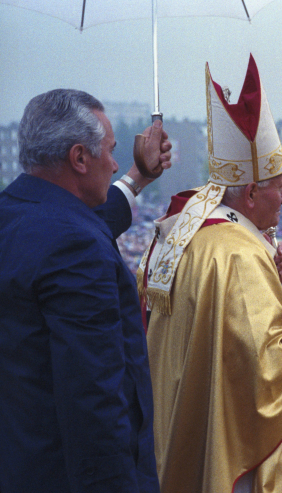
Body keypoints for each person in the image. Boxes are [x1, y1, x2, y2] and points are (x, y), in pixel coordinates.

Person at [141, 55, 282, 493]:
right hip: (243, 461)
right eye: (280, 186)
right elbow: (263, 369)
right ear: (253, 191)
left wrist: (270, 270)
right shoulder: (237, 255)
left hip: (182, 427)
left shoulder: (185, 227)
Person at [0, 89, 172, 492]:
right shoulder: (74, 247)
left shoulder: (16, 215)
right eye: (110, 152)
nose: (114, 165)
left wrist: (140, 175)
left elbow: (75, 223)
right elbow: (94, 400)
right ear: (79, 158)